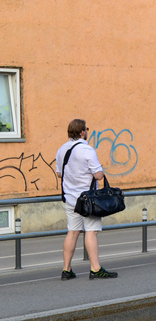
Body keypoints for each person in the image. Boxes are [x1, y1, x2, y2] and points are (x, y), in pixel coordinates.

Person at [54, 118, 117, 280]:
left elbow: (60, 174)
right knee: (91, 231)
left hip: (70, 198)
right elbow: (98, 175)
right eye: (86, 129)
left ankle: (66, 269)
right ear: (82, 132)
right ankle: (95, 269)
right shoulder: (87, 150)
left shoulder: (61, 150)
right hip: (89, 200)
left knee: (72, 232)